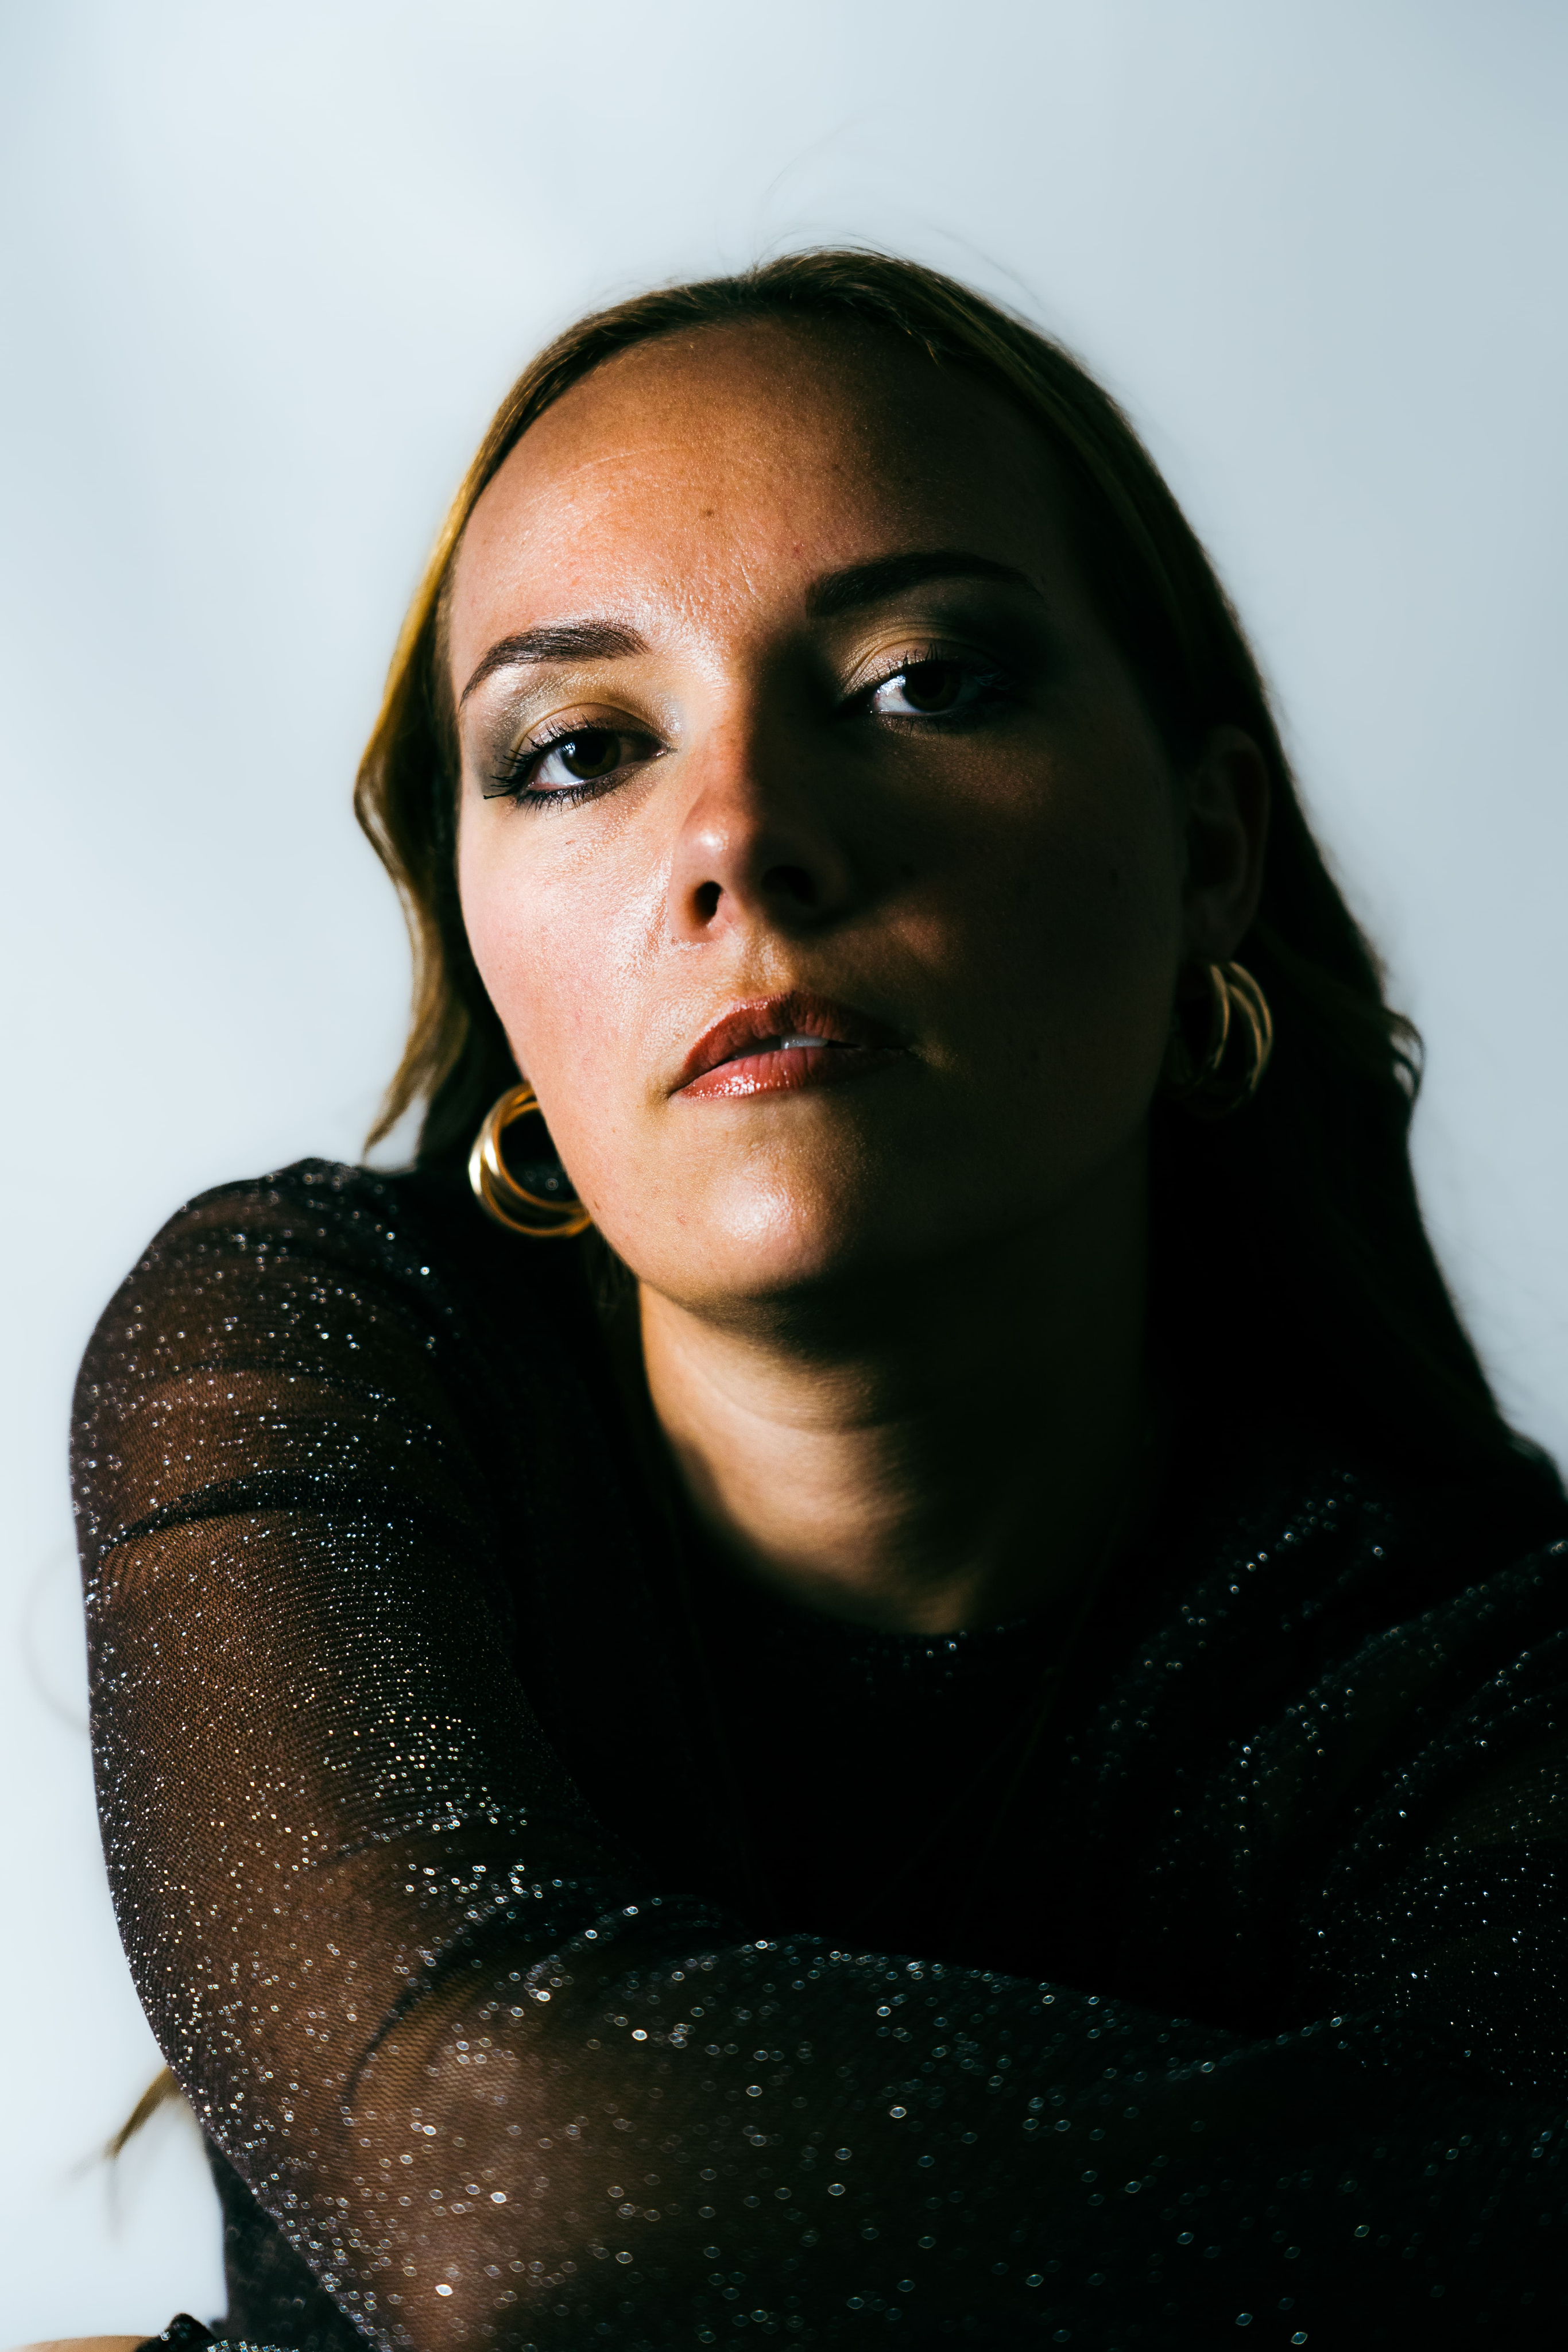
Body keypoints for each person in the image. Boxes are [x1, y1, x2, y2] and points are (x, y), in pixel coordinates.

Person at [72, 252, 1568, 2352]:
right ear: (477, 925)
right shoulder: (320, 1355)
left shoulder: (1482, 1693)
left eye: (920, 684)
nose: (748, 845)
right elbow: (520, 2180)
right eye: (583, 746)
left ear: (1208, 842)